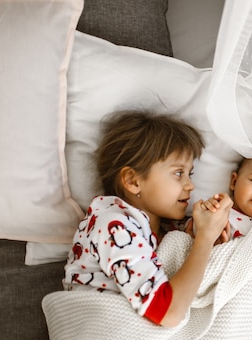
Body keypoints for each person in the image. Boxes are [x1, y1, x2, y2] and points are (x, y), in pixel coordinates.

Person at [63, 110, 232, 328]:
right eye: (178, 173)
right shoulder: (113, 224)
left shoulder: (165, 229)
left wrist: (202, 235)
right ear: (133, 181)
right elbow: (168, 313)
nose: (191, 186)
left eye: (190, 174)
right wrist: (204, 241)